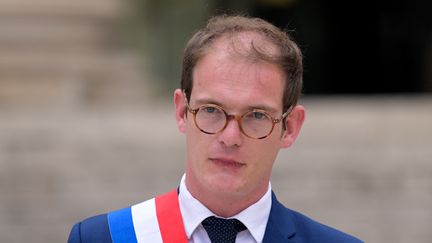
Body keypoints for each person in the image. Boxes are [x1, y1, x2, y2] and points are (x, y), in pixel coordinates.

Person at [68, 15, 362, 243]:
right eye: (211, 110)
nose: (230, 137)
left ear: (290, 128)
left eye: (256, 115)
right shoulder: (104, 238)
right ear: (182, 111)